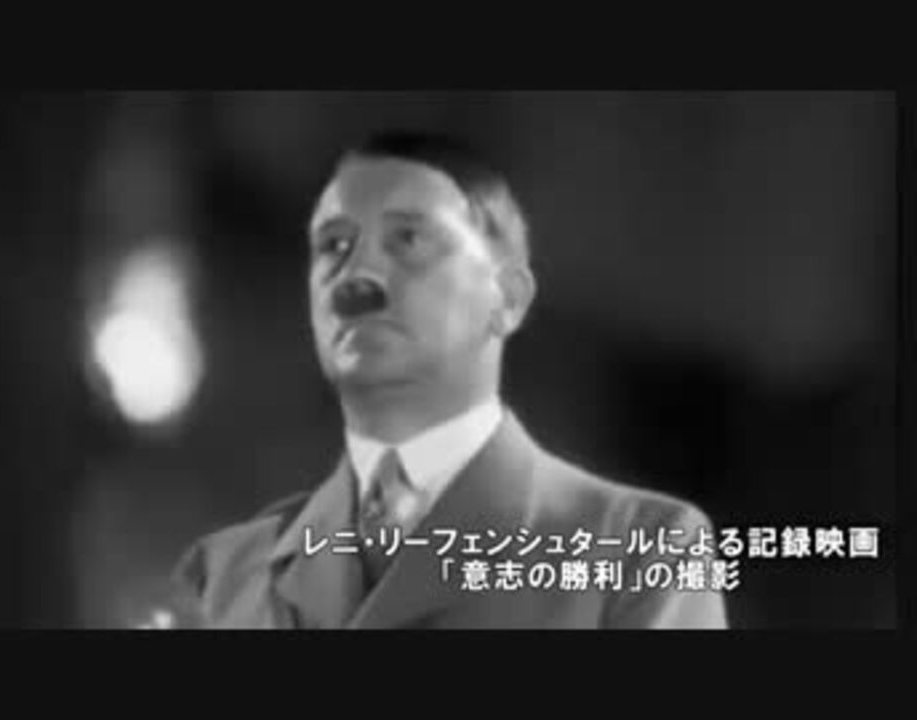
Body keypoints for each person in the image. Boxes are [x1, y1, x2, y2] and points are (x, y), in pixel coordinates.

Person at [170, 130, 728, 629]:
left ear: (507, 297)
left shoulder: (642, 549)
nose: (359, 280)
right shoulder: (225, 572)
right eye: (335, 246)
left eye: (410, 242)